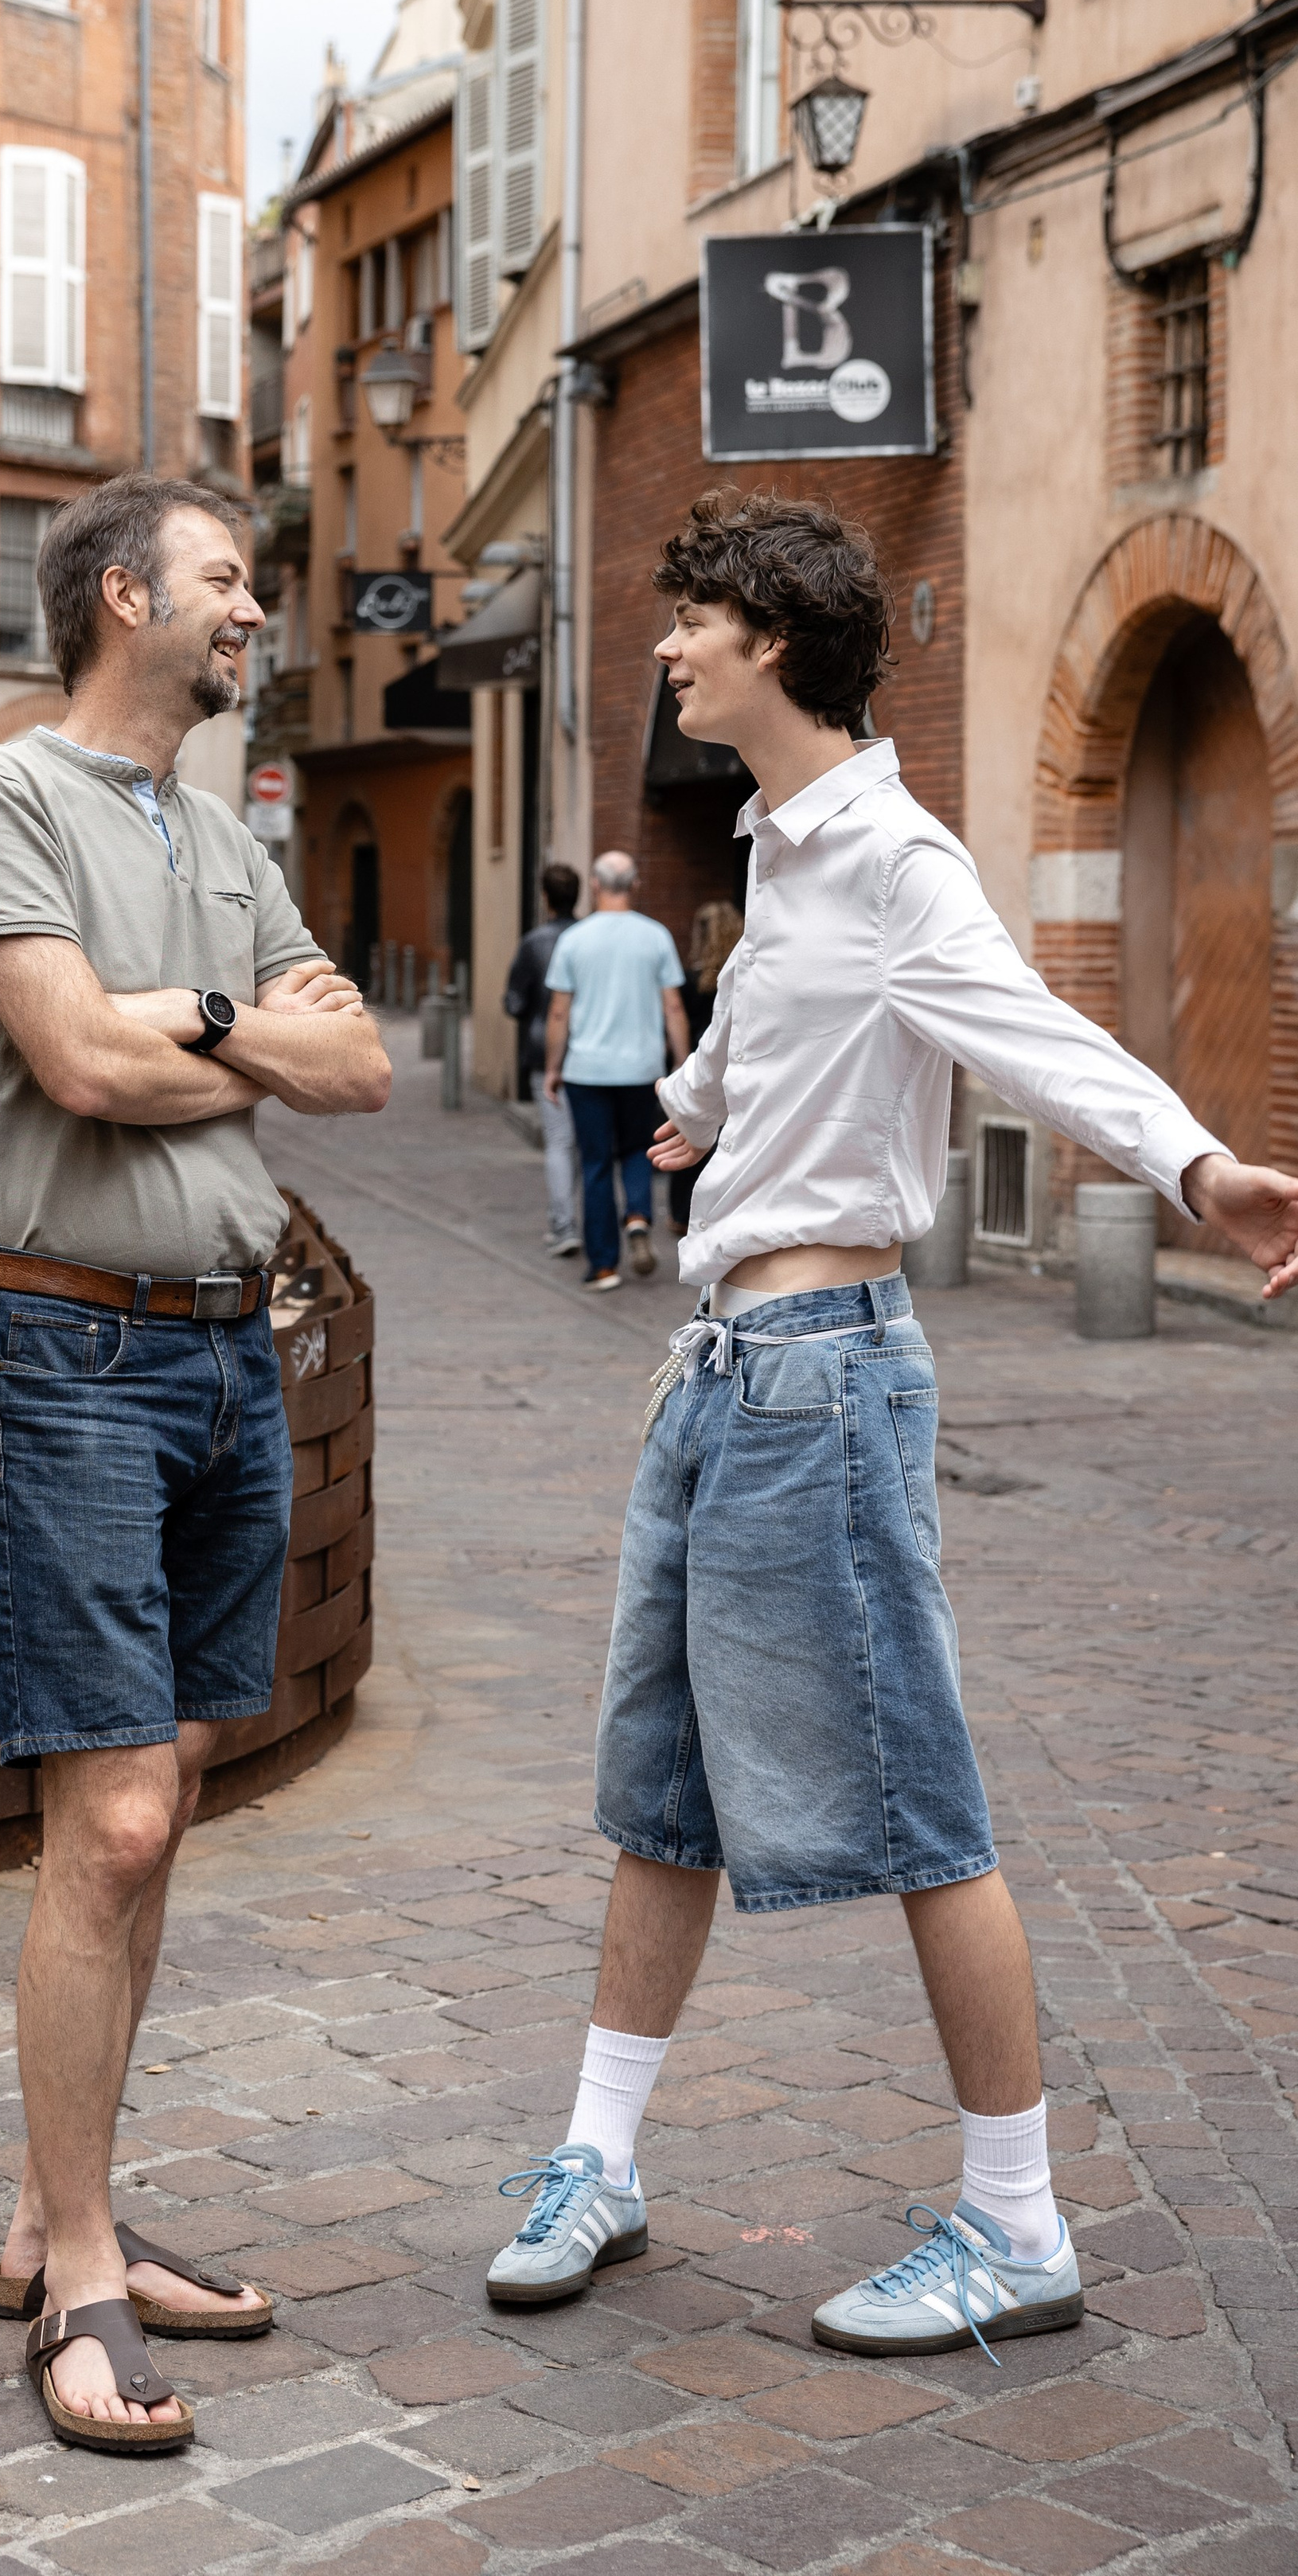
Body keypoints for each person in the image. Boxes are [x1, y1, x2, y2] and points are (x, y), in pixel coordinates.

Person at [485, 488, 1298, 2356]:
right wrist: (697, 1099)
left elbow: (1026, 1030)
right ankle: (597, 2157)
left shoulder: (890, 855)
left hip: (823, 1383)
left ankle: (1014, 2222)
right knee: (659, 1790)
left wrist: (1196, 1170)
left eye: (689, 618)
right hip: (722, 1376)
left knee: (918, 1801)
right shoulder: (781, 851)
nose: (665, 645)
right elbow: (767, 1022)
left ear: (768, 637)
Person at [0, 474, 391, 2452]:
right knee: (107, 1820)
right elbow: (80, 1065)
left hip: (224, 1359)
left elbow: (358, 1066)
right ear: (121, 595)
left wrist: (188, 1021)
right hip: (62, 1354)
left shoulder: (221, 834)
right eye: (222, 578)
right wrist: (231, 1028)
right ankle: (84, 2286)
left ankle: (56, 2216)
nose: (252, 609)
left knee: (167, 1796)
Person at [544, 852, 689, 1288]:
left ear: (595, 885)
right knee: (637, 1148)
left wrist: (552, 1067)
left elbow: (558, 1012)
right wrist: (682, 1062)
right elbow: (673, 1006)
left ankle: (604, 1266)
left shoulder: (574, 939)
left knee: (595, 1162)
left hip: (587, 1071)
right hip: (642, 1069)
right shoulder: (656, 936)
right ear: (635, 885)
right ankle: (639, 1216)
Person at [505, 861, 583, 1255]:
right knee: (581, 1142)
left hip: (543, 1053)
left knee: (558, 1140)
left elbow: (514, 1001)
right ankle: (571, 1219)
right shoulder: (589, 937)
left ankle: (564, 1225)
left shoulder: (534, 942)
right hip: (586, 1052)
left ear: (546, 897)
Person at [667, 898, 743, 1238]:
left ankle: (682, 1213)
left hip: (699, 1062)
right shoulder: (743, 979)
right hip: (735, 1065)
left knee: (690, 1134)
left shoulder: (689, 980)